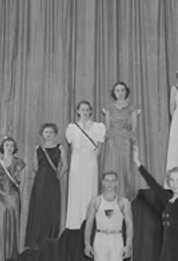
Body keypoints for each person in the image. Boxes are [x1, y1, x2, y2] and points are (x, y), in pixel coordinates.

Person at [83, 172, 134, 261]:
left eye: (112, 181)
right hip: (100, 238)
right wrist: (87, 243)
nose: (110, 184)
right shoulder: (96, 201)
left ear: (117, 183)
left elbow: (129, 224)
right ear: (102, 182)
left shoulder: (123, 202)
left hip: (116, 238)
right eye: (107, 180)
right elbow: (89, 223)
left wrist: (128, 244)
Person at [24, 123, 68, 249]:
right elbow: (34, 166)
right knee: (39, 207)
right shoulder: (38, 148)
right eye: (46, 132)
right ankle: (37, 239)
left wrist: (59, 175)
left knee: (52, 207)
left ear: (55, 134)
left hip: (53, 180)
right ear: (42, 134)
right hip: (40, 181)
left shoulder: (60, 147)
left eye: (51, 132)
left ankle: (50, 238)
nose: (49, 134)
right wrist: (42, 174)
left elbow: (65, 165)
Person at [65, 101, 106, 229]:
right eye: (82, 110)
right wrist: (78, 157)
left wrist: (91, 157)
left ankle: (89, 222)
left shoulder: (98, 127)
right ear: (78, 111)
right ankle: (75, 224)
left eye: (87, 110)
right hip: (77, 159)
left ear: (91, 111)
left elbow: (99, 148)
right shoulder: (72, 127)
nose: (85, 112)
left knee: (90, 187)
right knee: (76, 188)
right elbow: (72, 147)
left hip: (90, 159)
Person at [102, 82, 141, 200]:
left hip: (126, 140)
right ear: (114, 93)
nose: (120, 93)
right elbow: (107, 127)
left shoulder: (132, 107)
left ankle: (125, 195)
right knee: (113, 165)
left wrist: (130, 136)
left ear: (126, 92)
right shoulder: (108, 108)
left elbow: (134, 127)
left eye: (122, 90)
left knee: (126, 167)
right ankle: (111, 195)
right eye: (117, 90)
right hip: (113, 140)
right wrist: (109, 136)